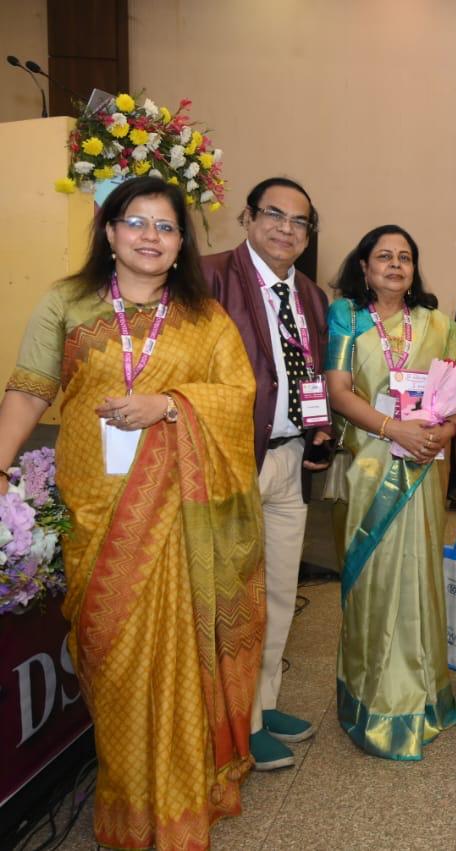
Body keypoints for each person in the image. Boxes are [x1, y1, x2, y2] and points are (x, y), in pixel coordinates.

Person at [0, 177, 263, 849]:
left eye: (166, 226)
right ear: (111, 231)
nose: (151, 236)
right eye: (137, 222)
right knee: (111, 660)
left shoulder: (205, 317)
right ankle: (126, 798)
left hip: (179, 512)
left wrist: (169, 404)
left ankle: (179, 801)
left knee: (178, 659)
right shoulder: (66, 301)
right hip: (95, 506)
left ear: (181, 244)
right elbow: (29, 389)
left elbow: (239, 393)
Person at [324, 225, 456, 759]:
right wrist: (395, 430)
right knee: (376, 581)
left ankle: (425, 695)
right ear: (364, 267)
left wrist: (443, 434)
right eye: (383, 256)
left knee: (420, 576)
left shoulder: (438, 325)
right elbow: (339, 391)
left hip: (424, 467)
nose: (394, 265)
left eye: (404, 257)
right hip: (371, 468)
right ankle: (375, 701)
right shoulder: (347, 317)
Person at [203, 176, 328, 771]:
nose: (286, 228)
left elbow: (309, 372)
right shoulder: (210, 279)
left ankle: (265, 700)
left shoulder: (309, 294)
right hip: (234, 461)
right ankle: (240, 721)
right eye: (274, 215)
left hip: (289, 458)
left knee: (279, 592)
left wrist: (320, 428)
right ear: (248, 218)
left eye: (299, 221)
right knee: (236, 597)